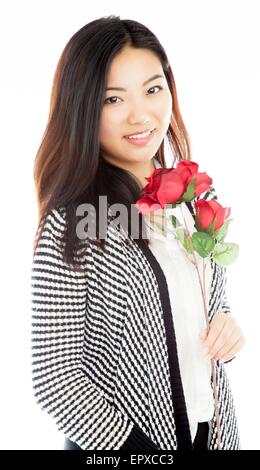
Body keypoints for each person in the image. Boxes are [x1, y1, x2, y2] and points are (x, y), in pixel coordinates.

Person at [31, 15, 246, 451]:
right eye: (113, 99)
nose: (141, 115)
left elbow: (205, 300)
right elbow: (54, 374)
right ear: (84, 107)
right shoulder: (75, 221)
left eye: (152, 89)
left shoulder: (194, 196)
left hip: (215, 434)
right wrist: (138, 451)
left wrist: (225, 325)